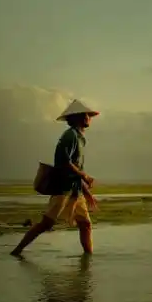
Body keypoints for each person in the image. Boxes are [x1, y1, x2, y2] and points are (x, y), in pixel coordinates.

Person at [10, 99, 99, 257]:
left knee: (85, 224)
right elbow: (64, 162)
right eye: (85, 115)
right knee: (47, 223)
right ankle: (16, 251)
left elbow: (76, 167)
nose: (88, 117)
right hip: (63, 189)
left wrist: (86, 191)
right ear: (76, 118)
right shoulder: (70, 136)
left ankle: (88, 259)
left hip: (75, 190)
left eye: (88, 115)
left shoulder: (80, 138)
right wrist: (84, 176)